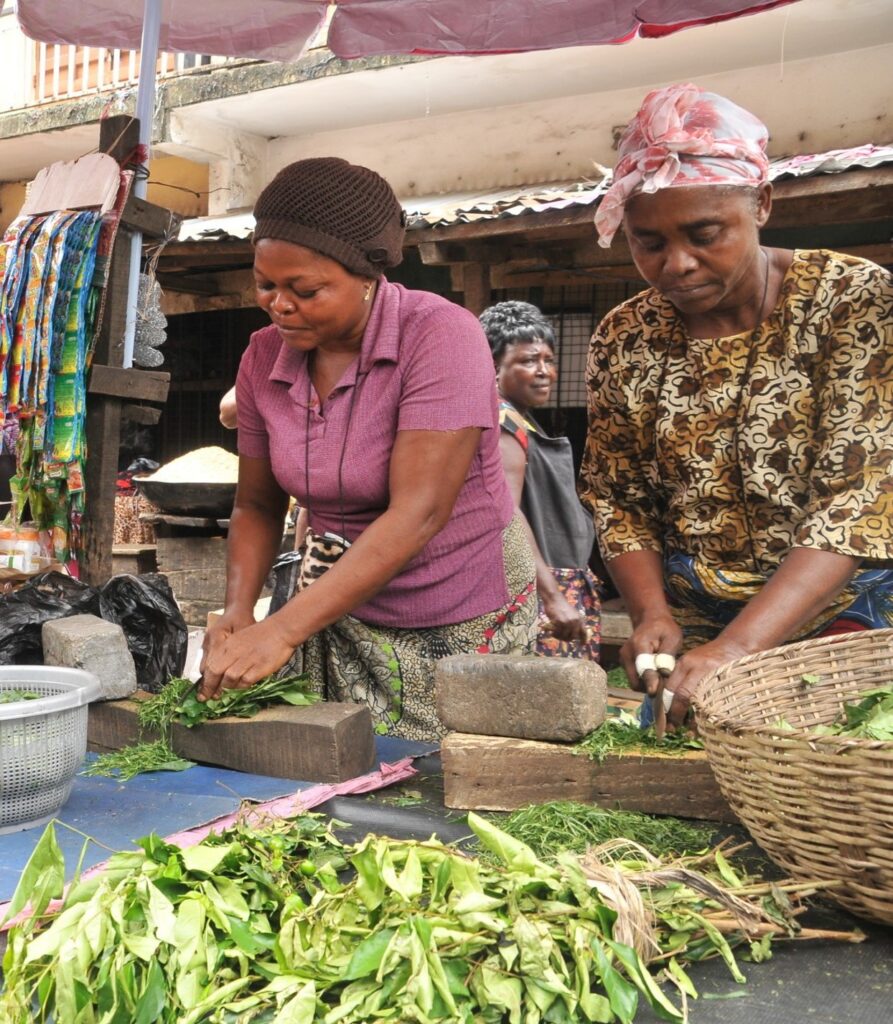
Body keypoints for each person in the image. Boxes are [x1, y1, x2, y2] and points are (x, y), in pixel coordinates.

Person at [579, 82, 893, 728]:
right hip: (695, 630)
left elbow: (856, 500)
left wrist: (741, 647)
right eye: (648, 243)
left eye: (703, 234)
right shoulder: (624, 337)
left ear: (762, 203)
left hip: (842, 616)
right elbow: (619, 498)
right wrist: (650, 614)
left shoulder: (849, 302)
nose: (677, 265)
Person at [199, 157, 538, 739]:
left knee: (436, 788)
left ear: (366, 278)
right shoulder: (262, 356)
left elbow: (419, 513)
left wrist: (281, 631)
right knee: (335, 767)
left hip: (452, 606)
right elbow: (256, 505)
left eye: (305, 290)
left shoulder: (441, 336)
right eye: (265, 284)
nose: (279, 304)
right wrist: (238, 612)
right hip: (335, 604)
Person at [481, 300, 600, 660]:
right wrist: (552, 598)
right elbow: (506, 513)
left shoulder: (521, 419)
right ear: (493, 366)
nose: (543, 370)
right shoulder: (504, 421)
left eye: (549, 360)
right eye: (528, 360)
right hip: (538, 585)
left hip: (552, 578)